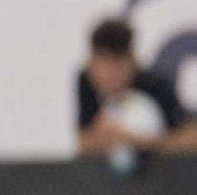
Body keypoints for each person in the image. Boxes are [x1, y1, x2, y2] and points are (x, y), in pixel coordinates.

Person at [78, 18, 197, 157]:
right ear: (91, 65)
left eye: (118, 65)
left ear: (133, 61)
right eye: (105, 65)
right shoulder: (86, 82)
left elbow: (191, 137)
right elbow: (83, 143)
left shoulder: (154, 86)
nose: (111, 75)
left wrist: (135, 141)